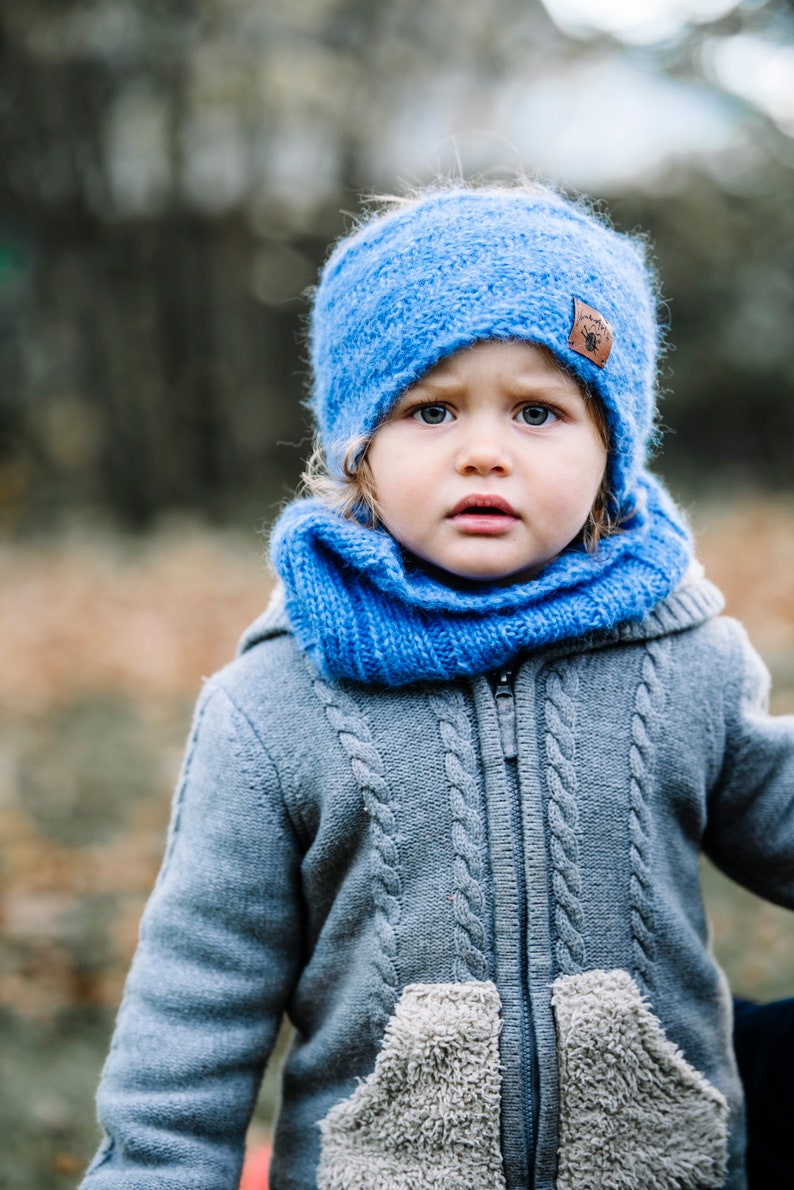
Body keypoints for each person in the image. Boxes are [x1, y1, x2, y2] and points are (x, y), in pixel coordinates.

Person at [80, 182, 794, 1190]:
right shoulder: (275, 703)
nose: (483, 449)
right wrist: (155, 1168)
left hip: (656, 1166)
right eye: (431, 408)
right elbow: (196, 996)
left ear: (613, 451)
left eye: (539, 409)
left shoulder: (682, 657)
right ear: (358, 448)